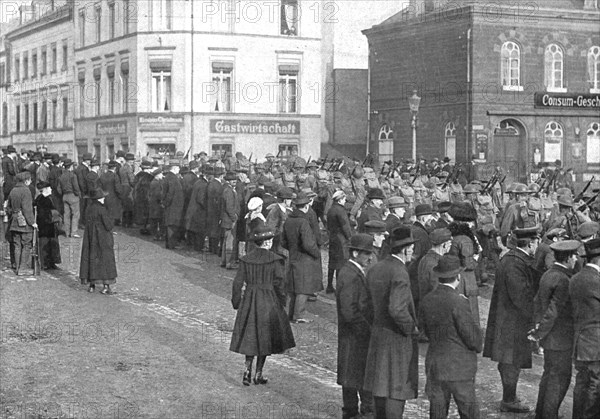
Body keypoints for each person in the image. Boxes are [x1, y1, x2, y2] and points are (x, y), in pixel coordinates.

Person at [483, 226, 541, 413]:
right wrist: (535, 317)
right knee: (510, 360)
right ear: (531, 243)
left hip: (507, 319)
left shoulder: (512, 259)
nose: (537, 245)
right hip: (512, 321)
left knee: (510, 360)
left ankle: (510, 397)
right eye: (536, 242)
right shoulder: (515, 263)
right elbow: (521, 296)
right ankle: (508, 400)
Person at [363, 226, 419, 419]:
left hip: (378, 335)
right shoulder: (400, 272)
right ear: (404, 250)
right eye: (411, 248)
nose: (413, 252)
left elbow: (365, 305)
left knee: (380, 386)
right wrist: (411, 328)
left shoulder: (376, 267)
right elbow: (397, 309)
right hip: (396, 339)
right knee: (397, 389)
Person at [229, 226, 295, 386]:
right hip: (268, 300)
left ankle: (247, 371)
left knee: (250, 336)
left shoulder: (246, 259)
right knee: (266, 337)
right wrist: (282, 303)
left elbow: (237, 282)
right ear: (268, 242)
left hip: (250, 300)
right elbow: (280, 284)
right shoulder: (275, 259)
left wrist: (236, 302)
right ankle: (258, 374)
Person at [419, 254, 483, 419]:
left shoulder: (427, 300)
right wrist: (477, 344)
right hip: (459, 367)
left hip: (435, 365)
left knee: (438, 413)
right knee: (469, 413)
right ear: (458, 277)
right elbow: (472, 338)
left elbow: (424, 330)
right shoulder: (459, 302)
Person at [529, 240, 579, 419]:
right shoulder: (565, 279)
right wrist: (539, 332)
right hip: (560, 338)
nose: (575, 260)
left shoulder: (548, 274)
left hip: (550, 338)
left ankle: (541, 413)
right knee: (559, 380)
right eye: (574, 256)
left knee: (548, 376)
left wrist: (538, 330)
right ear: (568, 258)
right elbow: (553, 311)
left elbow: (538, 303)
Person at [336, 233, 375, 419]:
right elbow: (349, 310)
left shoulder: (352, 271)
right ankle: (358, 412)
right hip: (355, 336)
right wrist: (366, 330)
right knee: (357, 376)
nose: (370, 257)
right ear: (355, 253)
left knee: (351, 376)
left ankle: (351, 412)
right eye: (366, 253)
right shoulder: (350, 274)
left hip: (352, 336)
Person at [569, 238, 600, 419]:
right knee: (595, 386)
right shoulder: (595, 281)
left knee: (582, 383)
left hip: (581, 341)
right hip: (595, 343)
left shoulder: (576, 277)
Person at [282, 192, 321, 323]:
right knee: (303, 288)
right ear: (305, 207)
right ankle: (299, 315)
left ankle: (292, 313)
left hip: (293, 255)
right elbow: (308, 244)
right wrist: (316, 253)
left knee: (294, 287)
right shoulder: (303, 222)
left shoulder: (289, 220)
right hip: (305, 258)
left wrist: (292, 249)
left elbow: (283, 241)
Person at [79, 188, 117, 294]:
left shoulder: (89, 208)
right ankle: (106, 286)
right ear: (99, 199)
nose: (104, 198)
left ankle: (92, 285)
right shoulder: (102, 209)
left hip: (90, 237)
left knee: (91, 258)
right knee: (105, 260)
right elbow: (108, 225)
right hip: (102, 237)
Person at [7, 171, 37, 275]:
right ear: (26, 180)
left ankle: (17, 267)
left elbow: (8, 207)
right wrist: (33, 222)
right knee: (26, 244)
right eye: (30, 179)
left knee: (17, 245)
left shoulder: (13, 190)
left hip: (14, 221)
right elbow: (27, 209)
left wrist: (14, 214)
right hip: (24, 222)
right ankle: (23, 268)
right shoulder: (26, 191)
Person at [327, 190, 353, 293]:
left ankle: (329, 285)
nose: (345, 201)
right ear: (340, 199)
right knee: (340, 263)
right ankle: (339, 288)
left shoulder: (331, 209)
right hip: (341, 239)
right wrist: (350, 238)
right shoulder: (341, 211)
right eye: (344, 199)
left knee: (332, 262)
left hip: (332, 238)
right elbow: (345, 226)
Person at [34, 181, 61, 270]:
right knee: (44, 244)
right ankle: (45, 263)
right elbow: (41, 214)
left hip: (50, 225)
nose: (51, 189)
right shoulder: (41, 199)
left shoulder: (47, 198)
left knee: (52, 244)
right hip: (45, 225)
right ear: (45, 189)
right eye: (49, 188)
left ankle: (52, 262)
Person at [57, 158, 81, 238]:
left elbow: (58, 189)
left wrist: (63, 194)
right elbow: (76, 187)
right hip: (73, 195)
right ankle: (73, 232)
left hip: (64, 196)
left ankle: (67, 233)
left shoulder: (61, 176)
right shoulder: (73, 175)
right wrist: (78, 194)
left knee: (66, 215)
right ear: (70, 166)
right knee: (75, 214)